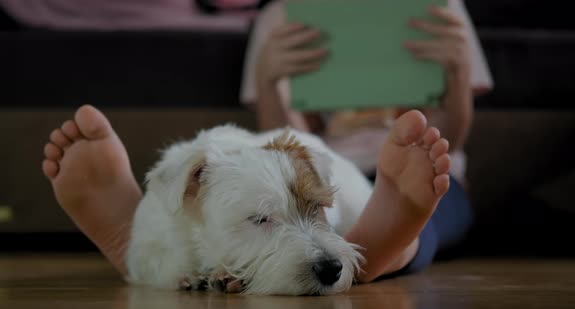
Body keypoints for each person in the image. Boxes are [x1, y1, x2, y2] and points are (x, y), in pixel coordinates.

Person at [41, 0, 492, 282]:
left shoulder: (443, 8)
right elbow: (284, 139)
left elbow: (449, 139)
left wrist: (456, 72)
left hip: (422, 168)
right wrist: (269, 78)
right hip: (314, 162)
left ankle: (390, 242)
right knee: (281, 200)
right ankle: (149, 243)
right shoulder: (281, 15)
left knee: (433, 196)